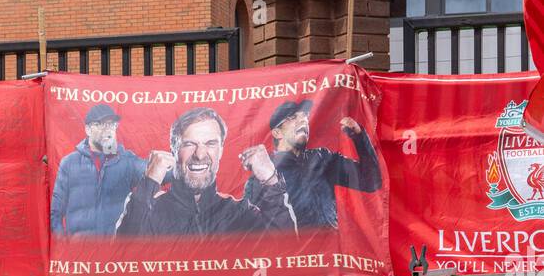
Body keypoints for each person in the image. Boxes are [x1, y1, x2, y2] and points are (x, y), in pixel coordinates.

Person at [115, 107, 293, 238]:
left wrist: (271, 181)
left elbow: (287, 249)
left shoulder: (239, 212)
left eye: (210, 144)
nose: (200, 155)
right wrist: (149, 182)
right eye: (189, 144)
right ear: (173, 150)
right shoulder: (147, 209)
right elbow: (123, 254)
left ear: (221, 150)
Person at [256, 99, 382, 231]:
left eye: (305, 116)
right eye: (293, 117)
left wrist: (359, 137)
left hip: (329, 247)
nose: (303, 120)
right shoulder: (264, 173)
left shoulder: (321, 158)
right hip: (293, 249)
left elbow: (370, 182)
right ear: (277, 133)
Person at [51, 103, 147, 238]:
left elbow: (159, 173)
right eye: (101, 124)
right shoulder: (69, 163)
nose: (107, 129)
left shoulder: (127, 161)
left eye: (112, 125)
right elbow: (55, 213)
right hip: (80, 253)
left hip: (115, 252)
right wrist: (65, 246)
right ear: (88, 130)